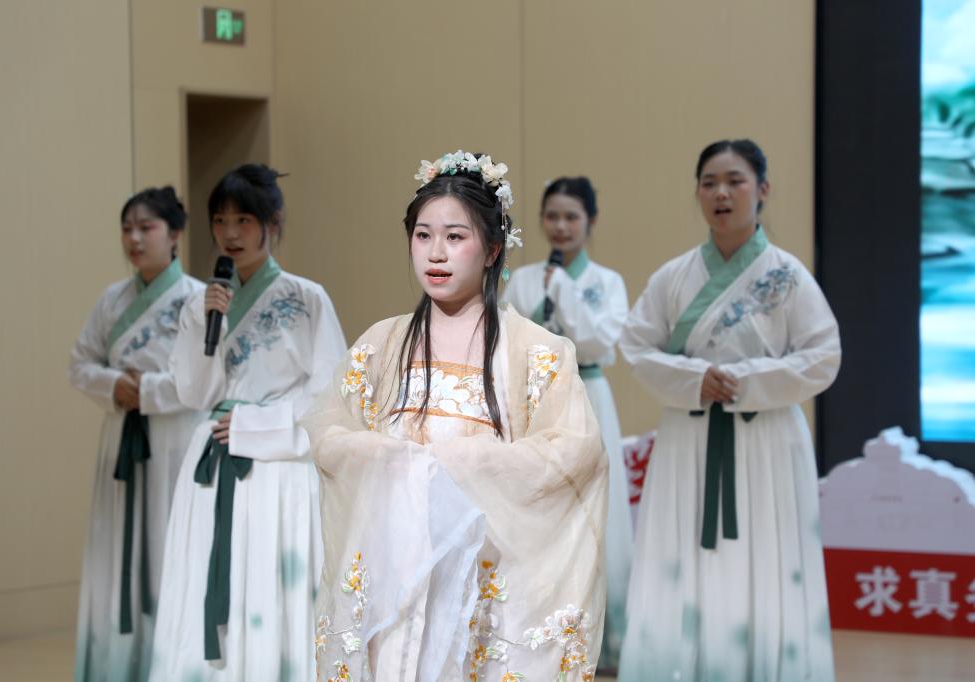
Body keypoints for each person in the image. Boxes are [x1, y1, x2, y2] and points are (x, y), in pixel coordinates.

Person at [306, 150, 608, 681]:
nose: (436, 253)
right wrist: (386, 458)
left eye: (455, 236)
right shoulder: (381, 344)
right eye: (423, 235)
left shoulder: (537, 352)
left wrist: (463, 464)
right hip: (397, 568)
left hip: (485, 571)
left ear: (492, 249)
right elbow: (329, 431)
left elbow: (573, 452)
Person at [617, 140, 840, 681]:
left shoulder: (787, 275)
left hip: (767, 438)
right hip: (690, 435)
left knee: (765, 554)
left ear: (762, 190)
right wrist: (695, 379)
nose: (721, 193)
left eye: (735, 181)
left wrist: (746, 381)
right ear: (697, 193)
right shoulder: (673, 276)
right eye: (709, 182)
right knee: (683, 557)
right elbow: (635, 346)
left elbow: (823, 356)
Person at [148, 165, 346, 681]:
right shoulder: (201, 303)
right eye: (220, 220)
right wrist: (201, 321)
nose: (230, 233)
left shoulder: (307, 299)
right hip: (212, 458)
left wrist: (256, 426)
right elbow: (193, 392)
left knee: (265, 580)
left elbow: (330, 394)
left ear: (272, 223)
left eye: (243, 220)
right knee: (206, 574)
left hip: (275, 465)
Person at [70, 186, 205, 681]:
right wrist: (114, 385)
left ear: (174, 234)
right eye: (127, 228)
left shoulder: (197, 299)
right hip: (121, 437)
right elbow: (80, 363)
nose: (134, 238)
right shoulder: (113, 299)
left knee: (171, 544)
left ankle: (171, 664)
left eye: (146, 227)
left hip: (174, 439)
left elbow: (204, 378)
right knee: (116, 547)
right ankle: (118, 662)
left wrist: (146, 390)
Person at [501, 176, 633, 668]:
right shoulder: (522, 278)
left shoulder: (607, 282)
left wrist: (564, 291)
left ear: (590, 221)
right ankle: (537, 635)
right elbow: (508, 339)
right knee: (540, 508)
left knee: (596, 510)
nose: (560, 226)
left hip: (589, 395)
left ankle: (606, 641)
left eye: (571, 217)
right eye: (552, 216)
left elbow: (600, 343)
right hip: (535, 401)